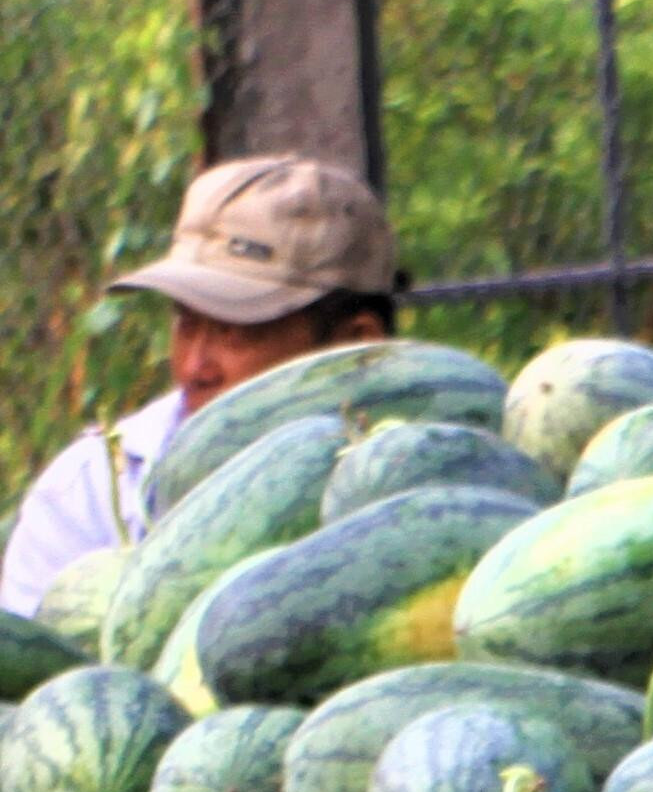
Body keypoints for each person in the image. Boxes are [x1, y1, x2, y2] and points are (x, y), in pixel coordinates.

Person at [3, 158, 403, 620]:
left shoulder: (437, 482)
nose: (194, 367)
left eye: (236, 332)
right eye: (185, 323)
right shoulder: (93, 487)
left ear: (356, 345)